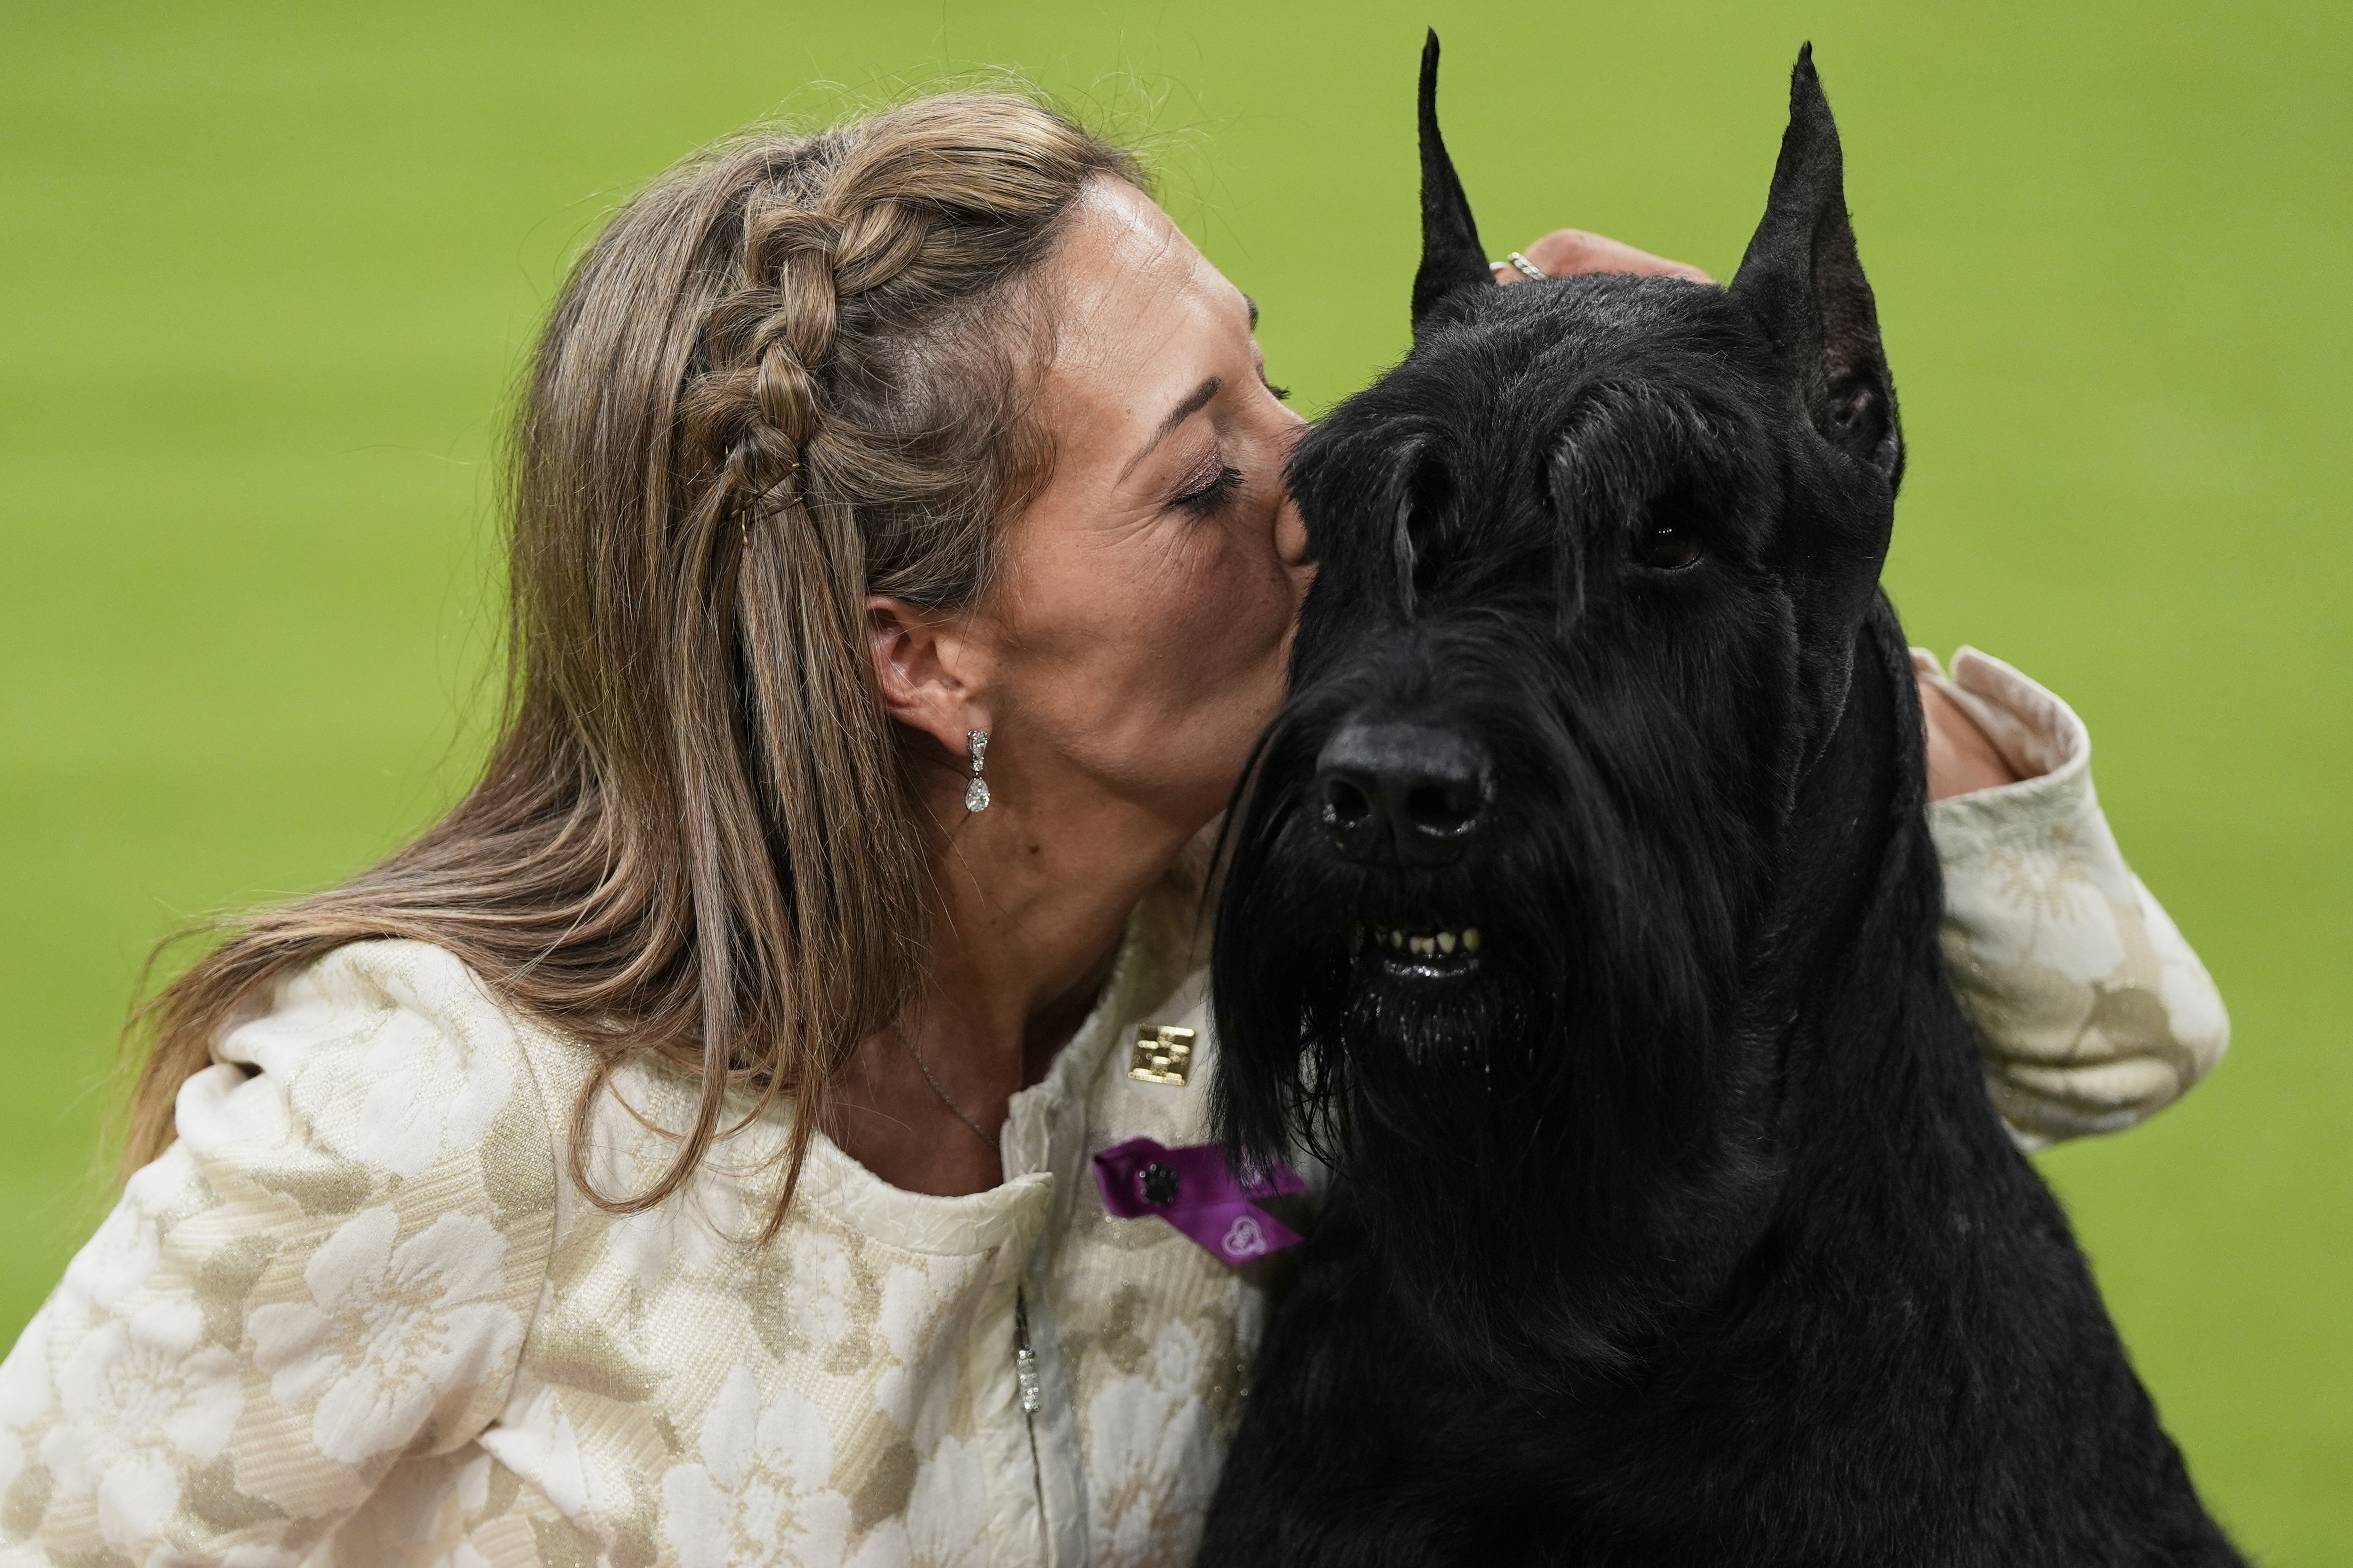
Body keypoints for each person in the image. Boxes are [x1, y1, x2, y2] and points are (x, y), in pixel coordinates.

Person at [0, 94, 2227, 1567]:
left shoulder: (1283, 920)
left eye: (1283, 384)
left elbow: (2107, 1034)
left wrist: (1762, 491)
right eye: (1202, 468)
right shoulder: (426, 1125)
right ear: (927, 659)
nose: (1322, 479)